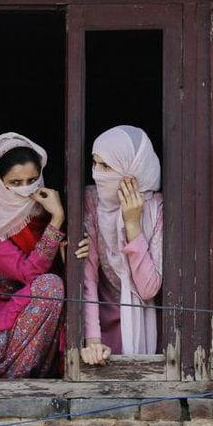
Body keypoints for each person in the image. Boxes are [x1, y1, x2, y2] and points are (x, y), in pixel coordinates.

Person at [0, 132, 66, 378]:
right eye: (15, 182)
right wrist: (58, 220)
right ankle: (12, 384)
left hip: (37, 342)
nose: (25, 190)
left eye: (32, 180)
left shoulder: (40, 214)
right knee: (50, 286)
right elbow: (29, 273)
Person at [75, 125, 163, 366]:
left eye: (106, 166)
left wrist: (133, 224)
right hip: (99, 316)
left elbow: (148, 289)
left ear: (132, 168)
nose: (96, 174)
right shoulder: (92, 201)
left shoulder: (156, 209)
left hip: (144, 318)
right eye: (94, 163)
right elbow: (88, 276)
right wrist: (92, 340)